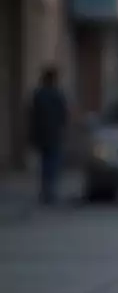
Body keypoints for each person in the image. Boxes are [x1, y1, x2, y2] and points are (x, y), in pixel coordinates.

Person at [29, 66, 69, 205]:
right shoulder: (57, 95)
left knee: (45, 163)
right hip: (53, 134)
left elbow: (32, 116)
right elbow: (64, 115)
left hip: (41, 135)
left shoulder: (38, 94)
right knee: (52, 163)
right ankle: (50, 191)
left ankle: (45, 190)